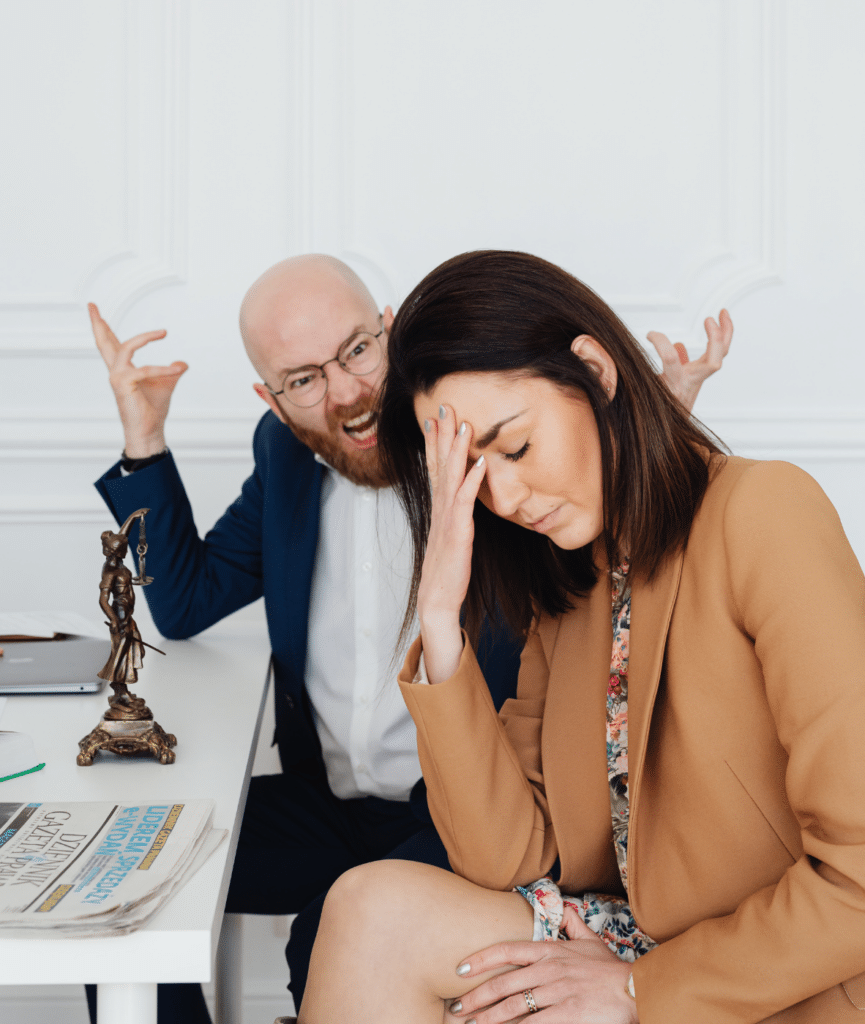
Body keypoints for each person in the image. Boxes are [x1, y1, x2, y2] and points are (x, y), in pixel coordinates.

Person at [88, 254, 729, 1023]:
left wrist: (646, 418)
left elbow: (605, 533)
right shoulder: (283, 458)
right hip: (325, 803)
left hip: (458, 813)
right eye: (302, 379)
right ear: (273, 399)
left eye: (357, 350)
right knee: (119, 886)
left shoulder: (490, 461)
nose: (348, 392)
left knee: (327, 935)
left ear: (389, 331)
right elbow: (187, 601)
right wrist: (145, 438)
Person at [298, 250, 865, 1024]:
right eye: (472, 474)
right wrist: (439, 621)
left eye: (515, 447)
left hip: (782, 977)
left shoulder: (765, 515)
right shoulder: (572, 585)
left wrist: (640, 989)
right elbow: (509, 859)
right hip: (637, 943)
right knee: (370, 909)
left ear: (595, 371)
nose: (505, 497)